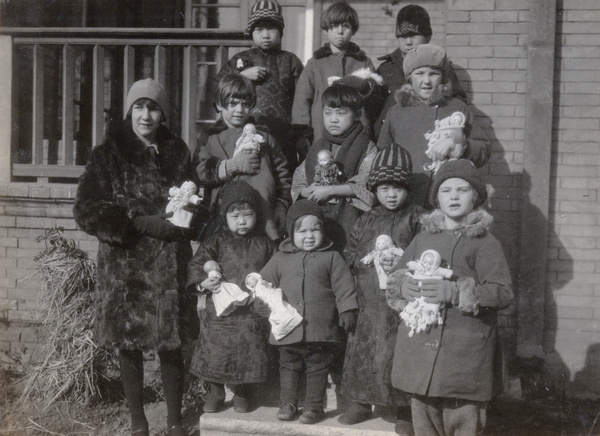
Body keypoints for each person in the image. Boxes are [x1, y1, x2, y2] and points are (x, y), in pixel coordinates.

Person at [73, 78, 202, 436]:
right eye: (140, 107)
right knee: (128, 344)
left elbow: (192, 195)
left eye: (154, 107)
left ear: (163, 113)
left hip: (170, 261)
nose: (146, 115)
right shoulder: (108, 153)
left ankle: (175, 419)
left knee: (171, 343)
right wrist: (136, 223)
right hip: (126, 265)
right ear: (130, 111)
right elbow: (87, 208)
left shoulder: (177, 151)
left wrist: (184, 219)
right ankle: (138, 422)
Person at [386, 159, 513, 436]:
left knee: (463, 423)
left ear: (476, 197)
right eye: (446, 190)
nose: (454, 196)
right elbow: (396, 279)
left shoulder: (485, 243)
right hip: (421, 352)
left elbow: (503, 292)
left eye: (462, 189)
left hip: (463, 357)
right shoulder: (422, 239)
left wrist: (457, 292)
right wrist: (403, 287)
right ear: (436, 198)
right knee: (424, 423)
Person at [338, 145, 424, 431]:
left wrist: (402, 258)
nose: (391, 194)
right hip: (368, 300)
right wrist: (360, 265)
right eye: (384, 187)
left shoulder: (416, 218)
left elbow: (426, 254)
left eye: (397, 187)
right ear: (375, 189)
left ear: (407, 189)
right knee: (364, 351)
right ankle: (360, 403)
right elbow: (350, 252)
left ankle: (404, 409)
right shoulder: (366, 219)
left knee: (399, 352)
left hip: (402, 302)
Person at [259, 200, 358, 425]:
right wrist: (264, 303)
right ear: (291, 232)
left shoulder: (332, 257)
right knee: (288, 366)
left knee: (317, 368)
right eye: (302, 230)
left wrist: (347, 309)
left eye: (315, 229)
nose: (309, 235)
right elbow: (263, 283)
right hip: (287, 327)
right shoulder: (280, 258)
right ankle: (288, 403)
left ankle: (314, 407)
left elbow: (344, 286)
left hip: (320, 328)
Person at [186, 181, 277, 413]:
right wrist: (203, 282)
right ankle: (215, 391)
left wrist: (267, 286)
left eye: (248, 215)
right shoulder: (216, 241)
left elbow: (276, 269)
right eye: (235, 216)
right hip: (220, 312)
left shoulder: (264, 244)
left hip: (251, 311)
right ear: (225, 217)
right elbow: (197, 263)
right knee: (215, 351)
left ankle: (243, 392)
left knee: (250, 351)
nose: (242, 221)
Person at [377, 44, 491, 208]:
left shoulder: (457, 108)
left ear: (443, 77)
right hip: (407, 202)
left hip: (446, 202)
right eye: (419, 74)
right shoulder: (396, 112)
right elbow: (383, 155)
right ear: (409, 77)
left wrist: (458, 143)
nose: (426, 81)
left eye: (433, 74)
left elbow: (483, 149)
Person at [194, 74, 291, 242]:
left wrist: (281, 207)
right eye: (232, 104)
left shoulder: (265, 137)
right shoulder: (210, 138)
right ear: (219, 104)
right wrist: (230, 166)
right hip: (224, 218)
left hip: (262, 215)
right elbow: (199, 171)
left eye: (245, 104)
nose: (239, 110)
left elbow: (282, 176)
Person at [214, 0, 305, 170]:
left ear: (280, 31)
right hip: (245, 131)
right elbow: (219, 88)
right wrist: (241, 76)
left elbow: (303, 99)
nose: (265, 35)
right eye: (259, 29)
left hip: (283, 134)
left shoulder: (291, 61)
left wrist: (301, 135)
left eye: (271, 28)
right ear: (251, 32)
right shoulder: (241, 60)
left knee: (282, 173)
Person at [292, 83, 377, 251]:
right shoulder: (318, 146)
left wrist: (331, 190)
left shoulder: (366, 146)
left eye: (341, 113)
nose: (333, 119)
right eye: (328, 113)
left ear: (357, 114)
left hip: (351, 216)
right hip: (317, 217)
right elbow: (299, 179)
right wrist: (305, 191)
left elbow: (366, 183)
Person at [374, 4, 466, 140]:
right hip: (392, 137)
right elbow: (373, 109)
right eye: (402, 36)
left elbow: (456, 103)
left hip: (428, 135)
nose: (408, 42)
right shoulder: (385, 69)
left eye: (414, 35)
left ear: (428, 36)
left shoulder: (439, 67)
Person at [292, 1, 375, 145]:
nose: (340, 31)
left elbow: (374, 96)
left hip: (357, 133)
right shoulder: (315, 63)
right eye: (334, 26)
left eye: (346, 26)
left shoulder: (363, 62)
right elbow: (302, 100)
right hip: (321, 132)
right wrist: (303, 134)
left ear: (353, 30)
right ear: (325, 30)